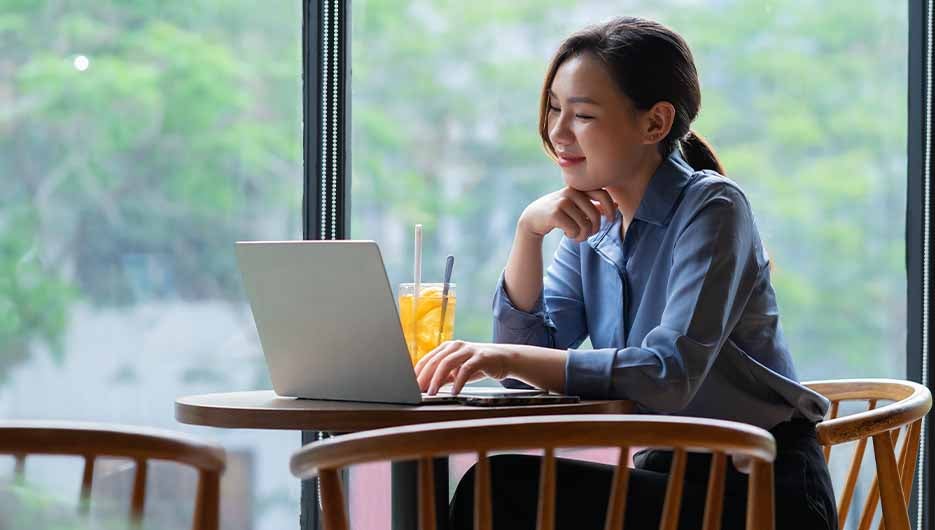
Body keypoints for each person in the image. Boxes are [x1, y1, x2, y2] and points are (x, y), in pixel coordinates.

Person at [413, 16, 837, 530]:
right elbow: (523, 369)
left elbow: (669, 374)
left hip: (761, 491)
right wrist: (528, 233)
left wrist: (507, 354)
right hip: (669, 483)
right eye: (553, 109)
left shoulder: (714, 209)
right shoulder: (594, 223)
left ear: (655, 124)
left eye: (583, 115)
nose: (557, 132)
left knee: (500, 489)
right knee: (498, 489)